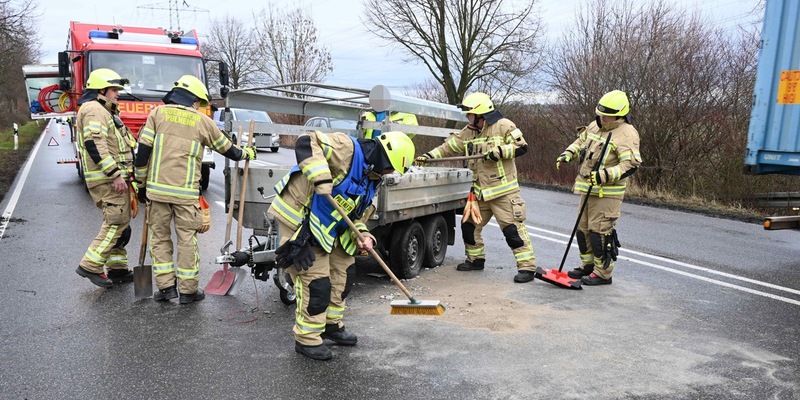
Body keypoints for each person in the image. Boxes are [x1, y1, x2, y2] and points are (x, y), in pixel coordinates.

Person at [268, 130, 415, 360]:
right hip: (300, 217)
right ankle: (307, 339)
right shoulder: (346, 149)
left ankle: (331, 325)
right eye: (390, 168)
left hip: (329, 226)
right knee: (316, 282)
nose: (389, 174)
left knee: (343, 274)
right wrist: (321, 177)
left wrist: (365, 237)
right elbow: (307, 140)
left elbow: (357, 217)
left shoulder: (371, 179)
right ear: (383, 158)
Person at [134, 75, 256, 304]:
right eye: (199, 102)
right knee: (187, 240)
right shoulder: (202, 122)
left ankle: (166, 288)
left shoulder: (157, 114)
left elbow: (142, 153)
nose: (198, 106)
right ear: (193, 99)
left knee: (159, 239)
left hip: (157, 193)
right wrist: (247, 153)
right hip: (185, 194)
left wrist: (141, 185)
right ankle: (189, 292)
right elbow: (227, 149)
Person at [415, 92, 537, 283]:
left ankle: (527, 268)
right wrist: (429, 156)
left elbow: (522, 147)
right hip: (480, 193)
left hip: (503, 192)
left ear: (481, 114)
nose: (467, 117)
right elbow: (448, 147)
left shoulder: (504, 125)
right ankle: (475, 260)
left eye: (470, 114)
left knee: (512, 231)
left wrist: (499, 152)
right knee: (469, 226)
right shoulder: (468, 132)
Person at [557, 90, 641, 285]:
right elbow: (581, 141)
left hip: (607, 193)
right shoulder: (595, 126)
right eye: (601, 113)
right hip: (588, 188)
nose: (603, 117)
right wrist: (568, 153)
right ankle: (587, 266)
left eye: (607, 114)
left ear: (620, 114)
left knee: (600, 232)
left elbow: (630, 165)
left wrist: (603, 176)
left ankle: (603, 273)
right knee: (583, 229)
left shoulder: (627, 134)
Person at [74, 68, 137, 288]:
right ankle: (90, 265)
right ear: (102, 90)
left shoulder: (105, 110)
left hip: (114, 179)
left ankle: (117, 270)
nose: (118, 94)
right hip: (108, 180)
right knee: (115, 223)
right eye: (114, 90)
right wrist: (115, 174)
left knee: (121, 224)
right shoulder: (93, 109)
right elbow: (95, 144)